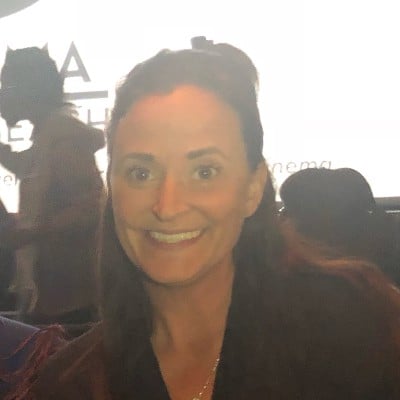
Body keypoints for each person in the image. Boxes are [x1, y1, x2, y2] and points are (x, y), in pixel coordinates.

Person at [13, 42, 400, 399]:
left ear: (253, 187)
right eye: (141, 173)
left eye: (204, 171)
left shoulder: (358, 326)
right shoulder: (74, 383)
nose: (168, 206)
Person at [0, 47, 104, 324]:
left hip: (70, 301)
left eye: (7, 86)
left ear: (30, 89)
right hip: (51, 295)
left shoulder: (64, 137)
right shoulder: (49, 134)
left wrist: (31, 233)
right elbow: (31, 167)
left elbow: (91, 207)